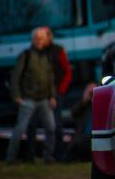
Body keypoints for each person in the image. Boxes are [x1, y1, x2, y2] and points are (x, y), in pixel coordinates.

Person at [6, 27, 57, 164]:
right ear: (33, 39)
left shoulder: (46, 56)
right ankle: (10, 158)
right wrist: (16, 95)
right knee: (20, 129)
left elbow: (50, 77)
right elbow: (15, 77)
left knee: (51, 128)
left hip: (44, 100)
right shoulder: (26, 55)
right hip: (28, 100)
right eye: (37, 38)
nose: (40, 41)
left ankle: (48, 156)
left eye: (42, 38)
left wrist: (52, 96)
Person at [26, 26, 72, 161]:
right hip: (38, 95)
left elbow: (67, 72)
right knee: (33, 124)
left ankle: (59, 154)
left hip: (55, 94)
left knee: (57, 125)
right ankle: (33, 155)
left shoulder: (58, 50)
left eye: (46, 35)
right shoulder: (35, 53)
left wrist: (61, 91)